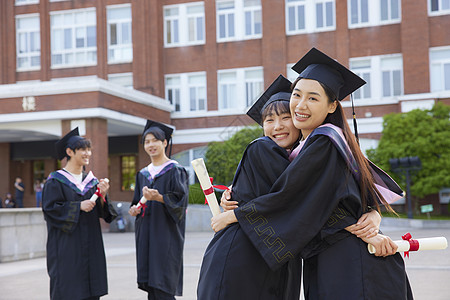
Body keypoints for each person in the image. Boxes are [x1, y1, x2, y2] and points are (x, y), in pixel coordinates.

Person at [212, 48, 413, 299]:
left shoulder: (325, 142)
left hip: (352, 264)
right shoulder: (311, 147)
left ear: (332, 105)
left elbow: (293, 198)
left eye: (313, 98)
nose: (301, 105)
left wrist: (236, 217)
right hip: (332, 260)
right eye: (297, 95)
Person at [42, 127, 117, 300]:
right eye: (83, 149)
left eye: (89, 149)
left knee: (91, 291)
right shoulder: (55, 181)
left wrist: (103, 196)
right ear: (69, 152)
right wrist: (78, 206)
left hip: (91, 247)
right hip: (67, 249)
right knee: (69, 290)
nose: (87, 153)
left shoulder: (91, 182)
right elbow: (50, 210)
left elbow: (106, 214)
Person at [128, 120, 189, 300]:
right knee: (152, 288)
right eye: (147, 141)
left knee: (164, 286)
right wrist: (134, 210)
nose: (151, 145)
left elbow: (181, 203)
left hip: (166, 236)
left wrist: (159, 197)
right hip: (146, 236)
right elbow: (136, 203)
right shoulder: (143, 174)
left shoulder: (175, 170)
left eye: (155, 140)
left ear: (165, 143)